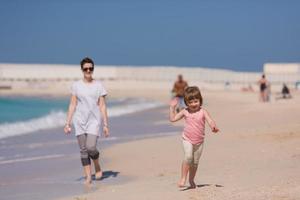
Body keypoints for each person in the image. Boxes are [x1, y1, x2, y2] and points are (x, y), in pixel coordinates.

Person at [64, 57, 109, 185]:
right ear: (82, 70)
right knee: (83, 150)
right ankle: (88, 177)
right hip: (79, 121)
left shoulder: (99, 85)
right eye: (86, 69)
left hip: (94, 121)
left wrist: (105, 124)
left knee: (91, 147)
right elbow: (72, 104)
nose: (88, 70)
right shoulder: (76, 86)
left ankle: (97, 164)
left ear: (93, 69)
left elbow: (102, 106)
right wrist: (67, 123)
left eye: (91, 68)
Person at [169, 86, 219, 188]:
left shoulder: (203, 112)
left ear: (200, 100)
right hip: (187, 139)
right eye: (190, 102)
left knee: (195, 162)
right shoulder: (185, 111)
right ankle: (183, 179)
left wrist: (213, 126)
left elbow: (210, 121)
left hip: (199, 141)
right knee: (188, 157)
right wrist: (172, 108)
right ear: (186, 103)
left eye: (196, 101)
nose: (193, 104)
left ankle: (191, 180)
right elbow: (173, 119)